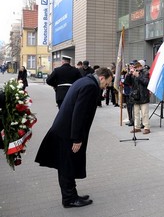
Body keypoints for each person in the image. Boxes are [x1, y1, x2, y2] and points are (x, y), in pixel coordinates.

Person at [35, 67, 113, 208]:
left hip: (63, 129)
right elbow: (79, 114)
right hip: (68, 133)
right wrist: (77, 138)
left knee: (66, 164)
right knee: (66, 165)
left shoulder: (84, 81)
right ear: (102, 78)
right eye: (107, 83)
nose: (106, 86)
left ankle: (72, 194)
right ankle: (69, 199)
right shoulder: (90, 86)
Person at [124, 60, 150, 134]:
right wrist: (129, 74)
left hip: (143, 95)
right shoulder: (133, 73)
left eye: (137, 66)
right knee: (136, 113)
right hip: (135, 96)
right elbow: (127, 83)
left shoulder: (145, 72)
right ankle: (137, 127)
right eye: (135, 66)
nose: (136, 68)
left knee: (144, 113)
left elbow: (146, 82)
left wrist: (138, 76)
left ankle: (146, 127)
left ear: (141, 66)